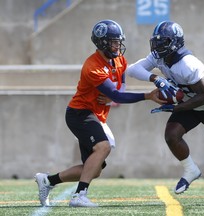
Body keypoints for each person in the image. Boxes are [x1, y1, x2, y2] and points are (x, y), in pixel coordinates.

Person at [35, 19, 163, 208]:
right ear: (102, 43)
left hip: (96, 115)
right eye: (113, 42)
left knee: (93, 170)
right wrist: (147, 96)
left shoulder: (119, 59)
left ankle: (47, 180)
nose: (118, 46)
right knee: (103, 147)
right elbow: (118, 94)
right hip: (80, 113)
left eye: (119, 41)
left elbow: (120, 89)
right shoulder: (92, 66)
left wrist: (112, 98)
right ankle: (79, 196)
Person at [126, 21, 204, 205]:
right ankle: (191, 170)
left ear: (176, 42)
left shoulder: (188, 64)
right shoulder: (159, 58)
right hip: (188, 104)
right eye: (157, 42)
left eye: (163, 42)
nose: (158, 46)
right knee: (171, 136)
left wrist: (176, 108)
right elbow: (132, 70)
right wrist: (156, 78)